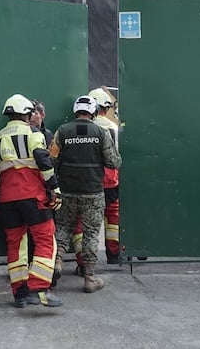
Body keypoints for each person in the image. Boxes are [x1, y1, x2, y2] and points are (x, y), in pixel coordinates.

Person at [0, 94, 63, 307]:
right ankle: (39, 288)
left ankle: (20, 292)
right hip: (32, 196)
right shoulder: (33, 133)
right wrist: (55, 189)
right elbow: (43, 161)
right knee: (45, 239)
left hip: (7, 200)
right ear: (26, 114)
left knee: (15, 244)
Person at [49, 95, 121, 293]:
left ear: (75, 112)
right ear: (94, 112)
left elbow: (51, 160)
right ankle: (89, 278)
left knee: (63, 228)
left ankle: (57, 263)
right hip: (93, 192)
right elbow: (113, 162)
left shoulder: (62, 132)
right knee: (90, 234)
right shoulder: (101, 132)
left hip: (68, 191)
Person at [70, 88, 123, 272]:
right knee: (113, 218)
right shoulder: (113, 127)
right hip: (111, 181)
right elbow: (116, 156)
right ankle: (114, 254)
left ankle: (82, 261)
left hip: (87, 181)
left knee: (80, 222)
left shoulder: (77, 128)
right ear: (104, 107)